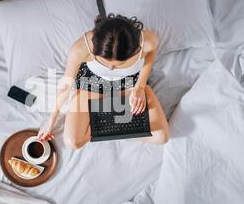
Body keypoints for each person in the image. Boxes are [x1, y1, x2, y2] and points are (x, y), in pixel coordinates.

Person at [37, 14, 169, 149]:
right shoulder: (81, 47)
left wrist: (140, 87)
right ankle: (119, 128)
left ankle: (110, 126)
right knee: (73, 142)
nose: (112, 68)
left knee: (161, 137)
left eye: (120, 64)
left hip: (129, 84)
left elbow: (151, 53)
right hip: (92, 84)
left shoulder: (148, 41)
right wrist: (50, 122)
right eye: (106, 62)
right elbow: (65, 86)